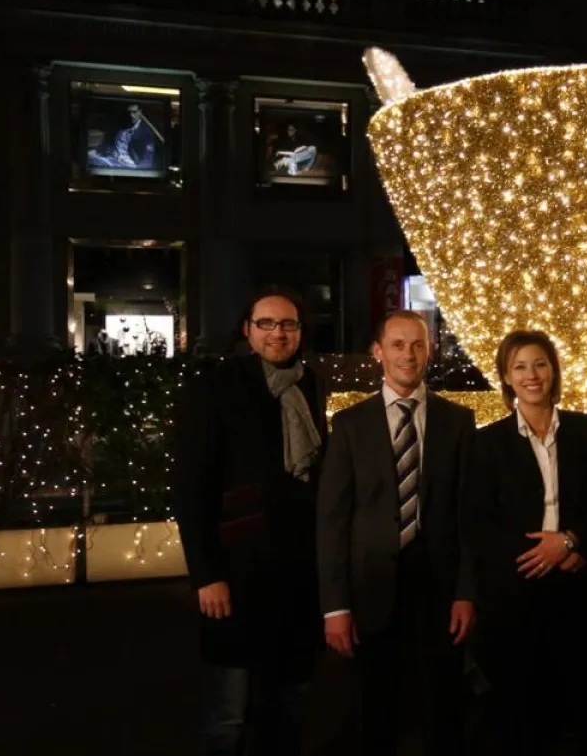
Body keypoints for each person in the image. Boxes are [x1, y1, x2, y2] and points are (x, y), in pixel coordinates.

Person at [172, 286, 327, 756]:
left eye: (288, 324)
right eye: (267, 323)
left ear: (300, 332)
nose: (278, 333)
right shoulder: (216, 385)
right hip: (238, 572)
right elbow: (191, 486)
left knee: (290, 703)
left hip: (298, 574)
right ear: (247, 329)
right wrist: (207, 574)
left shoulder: (309, 384)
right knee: (229, 713)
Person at [317, 310, 477, 756]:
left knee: (443, 713)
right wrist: (335, 607)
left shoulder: (458, 421)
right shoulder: (349, 425)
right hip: (370, 590)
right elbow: (332, 521)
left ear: (430, 350)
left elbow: (467, 518)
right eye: (398, 344)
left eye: (418, 345)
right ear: (378, 352)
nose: (409, 354)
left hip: (440, 590)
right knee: (374, 712)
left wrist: (466, 591)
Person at [469, 330, 587, 756]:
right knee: (522, 715)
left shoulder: (585, 430)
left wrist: (574, 543)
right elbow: (478, 523)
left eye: (539, 364)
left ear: (553, 371)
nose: (531, 375)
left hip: (579, 585)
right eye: (520, 366)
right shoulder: (487, 442)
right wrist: (537, 555)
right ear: (505, 376)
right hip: (517, 592)